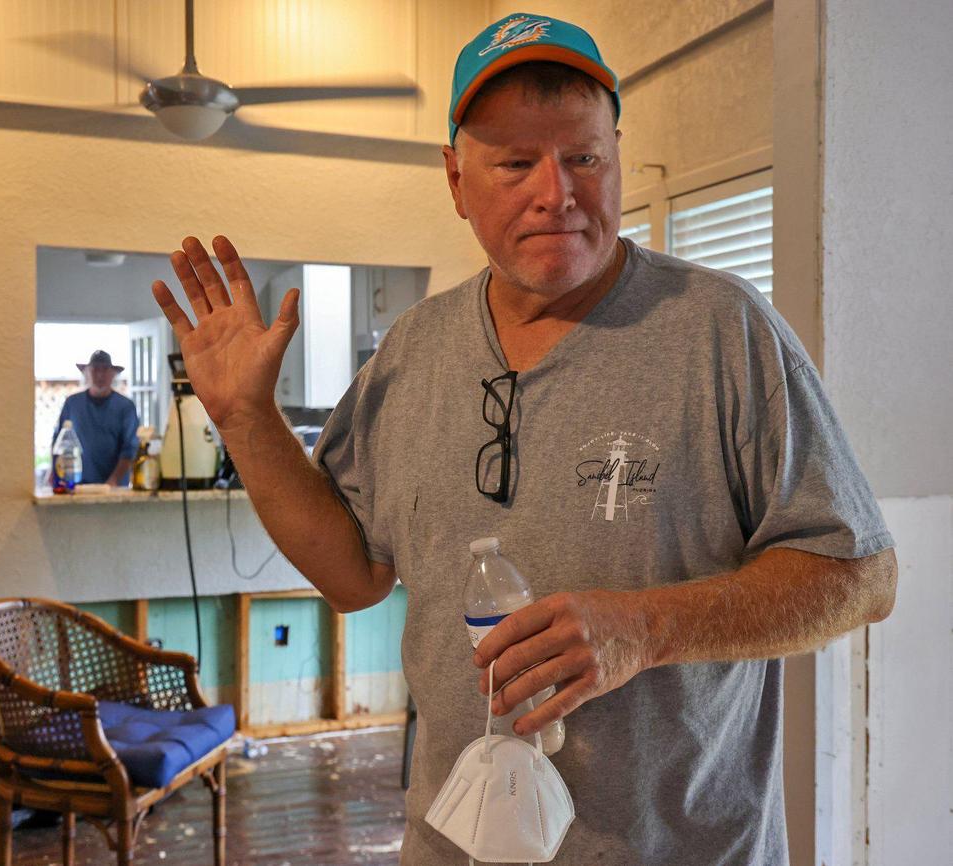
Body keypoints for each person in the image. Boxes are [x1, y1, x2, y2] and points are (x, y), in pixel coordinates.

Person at [150, 13, 897, 865]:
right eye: (515, 163)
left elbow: (861, 577)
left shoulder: (722, 332)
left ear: (614, 155)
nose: (558, 192)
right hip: (451, 844)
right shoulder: (414, 351)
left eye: (584, 157)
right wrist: (248, 420)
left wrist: (646, 629)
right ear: (456, 180)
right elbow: (352, 574)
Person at [50, 349, 138, 486]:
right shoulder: (72, 404)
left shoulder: (125, 407)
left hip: (115, 489)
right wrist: (54, 473)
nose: (100, 375)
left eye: (105, 370)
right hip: (76, 485)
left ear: (113, 374)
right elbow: (58, 442)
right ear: (86, 373)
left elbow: (130, 448)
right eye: (95, 369)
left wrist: (113, 481)